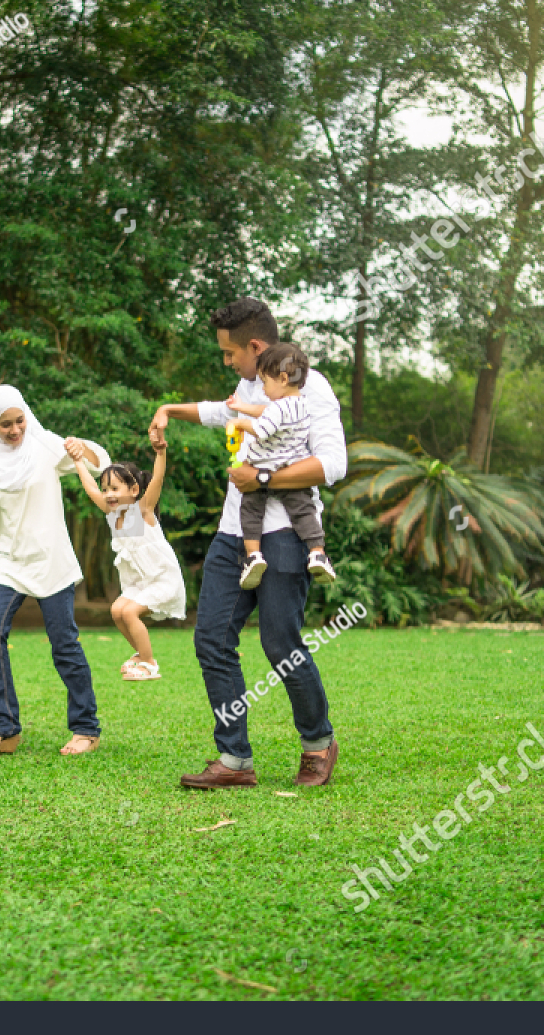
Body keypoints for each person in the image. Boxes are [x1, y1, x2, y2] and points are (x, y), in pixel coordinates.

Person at [148, 297, 346, 789]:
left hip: (285, 535)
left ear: (255, 347)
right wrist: (170, 409)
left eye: (229, 353)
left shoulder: (310, 388)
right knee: (212, 639)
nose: (227, 361)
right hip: (233, 533)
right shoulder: (251, 383)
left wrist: (260, 477)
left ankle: (318, 742)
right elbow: (224, 412)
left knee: (281, 644)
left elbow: (332, 464)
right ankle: (234, 760)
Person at [0, 385, 111, 756]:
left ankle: (86, 728)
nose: (15, 430)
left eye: (19, 421)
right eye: (5, 425)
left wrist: (84, 449)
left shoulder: (45, 446)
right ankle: (6, 728)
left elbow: (100, 463)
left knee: (64, 644)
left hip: (51, 559)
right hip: (8, 562)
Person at [66, 436, 186, 681]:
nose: (108, 494)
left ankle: (149, 662)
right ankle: (141, 654)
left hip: (162, 579)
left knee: (129, 612)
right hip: (140, 583)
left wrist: (160, 454)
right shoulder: (112, 514)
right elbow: (90, 488)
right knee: (117, 610)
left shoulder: (142, 511)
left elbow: (158, 479)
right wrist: (78, 461)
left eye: (114, 489)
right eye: (106, 489)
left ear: (133, 490)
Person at [224, 341, 337, 590]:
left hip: (263, 469)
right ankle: (317, 553)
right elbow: (266, 411)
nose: (263, 389)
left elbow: (264, 428)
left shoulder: (277, 409)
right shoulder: (300, 403)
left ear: (283, 378)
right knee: (303, 512)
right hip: (289, 470)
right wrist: (242, 407)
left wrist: (241, 423)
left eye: (265, 382)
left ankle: (253, 557)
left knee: (250, 512)